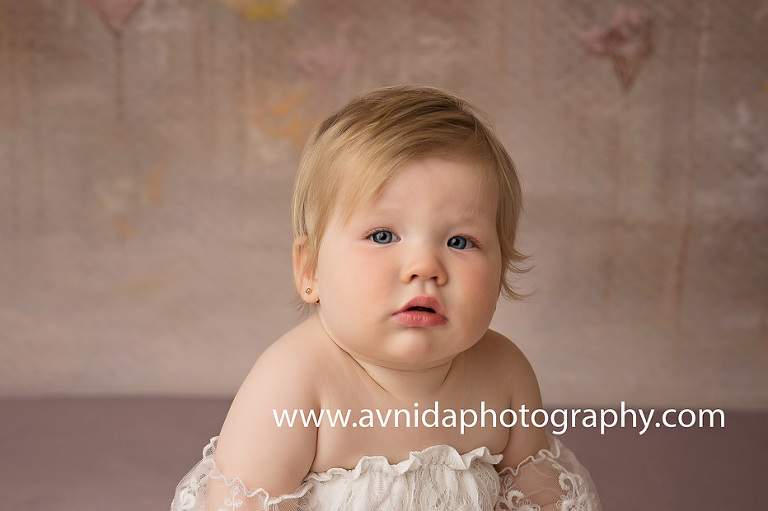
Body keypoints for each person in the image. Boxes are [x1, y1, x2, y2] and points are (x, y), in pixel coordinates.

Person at [171, 85, 601, 510]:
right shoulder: (294, 383)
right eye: (383, 235)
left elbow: (542, 499)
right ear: (310, 269)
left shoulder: (505, 373)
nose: (425, 266)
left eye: (459, 241)